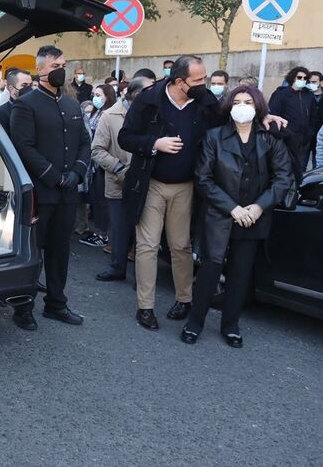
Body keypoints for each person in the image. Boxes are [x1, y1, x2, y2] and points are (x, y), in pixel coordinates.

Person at [118, 55, 286, 331]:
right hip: (151, 184)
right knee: (147, 246)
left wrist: (263, 114)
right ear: (180, 81)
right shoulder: (149, 100)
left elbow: (233, 115)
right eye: (198, 79)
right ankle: (145, 307)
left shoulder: (204, 101)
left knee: (181, 246)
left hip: (186, 186)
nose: (204, 83)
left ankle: (184, 300)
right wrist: (154, 143)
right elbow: (126, 137)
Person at [183, 86, 293, 347]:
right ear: (229, 106)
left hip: (254, 217)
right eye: (237, 101)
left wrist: (258, 207)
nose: (242, 106)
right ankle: (194, 322)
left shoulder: (270, 139)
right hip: (220, 215)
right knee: (209, 270)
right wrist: (232, 208)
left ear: (258, 107)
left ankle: (230, 325)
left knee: (240, 274)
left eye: (248, 102)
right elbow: (204, 178)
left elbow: (283, 178)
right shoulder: (214, 137)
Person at [8, 45, 89, 329]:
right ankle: (24, 307)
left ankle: (56, 303)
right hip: (41, 194)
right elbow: (23, 147)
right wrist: (54, 176)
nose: (61, 71)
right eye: (55, 66)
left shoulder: (71, 104)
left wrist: (78, 172)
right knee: (33, 253)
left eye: (63, 65)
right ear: (40, 68)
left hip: (68, 193)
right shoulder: (26, 103)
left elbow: (84, 142)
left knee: (60, 251)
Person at [92, 77, 153, 281]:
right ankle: (117, 267)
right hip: (119, 181)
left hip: (146, 182)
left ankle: (141, 275)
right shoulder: (110, 116)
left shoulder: (153, 114)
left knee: (144, 231)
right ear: (132, 93)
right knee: (119, 228)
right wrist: (120, 169)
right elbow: (98, 150)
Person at [79, 84, 116, 248]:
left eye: (99, 95)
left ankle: (105, 235)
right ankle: (100, 232)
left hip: (104, 162)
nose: (95, 98)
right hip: (94, 163)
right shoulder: (95, 112)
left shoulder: (110, 114)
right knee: (97, 200)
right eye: (94, 94)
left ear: (108, 96)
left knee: (104, 201)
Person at [269, 66, 318, 174]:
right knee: (284, 167)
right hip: (286, 138)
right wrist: (281, 133)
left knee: (300, 168)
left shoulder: (309, 95)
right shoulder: (281, 94)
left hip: (304, 139)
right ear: (292, 78)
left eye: (305, 78)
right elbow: (273, 114)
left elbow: (313, 116)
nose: (302, 80)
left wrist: (310, 132)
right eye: (299, 77)